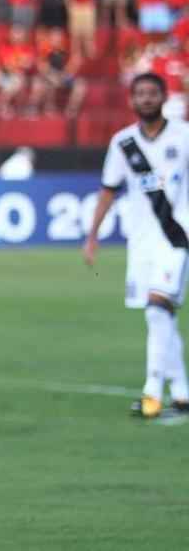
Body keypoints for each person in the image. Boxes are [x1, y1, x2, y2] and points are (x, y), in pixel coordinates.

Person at [83, 73, 189, 419]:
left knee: (158, 308)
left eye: (152, 93)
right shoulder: (123, 143)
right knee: (159, 316)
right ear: (132, 100)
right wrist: (93, 234)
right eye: (140, 93)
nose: (146, 98)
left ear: (163, 97)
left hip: (176, 236)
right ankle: (183, 392)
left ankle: (152, 393)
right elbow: (108, 189)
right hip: (141, 242)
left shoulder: (184, 135)